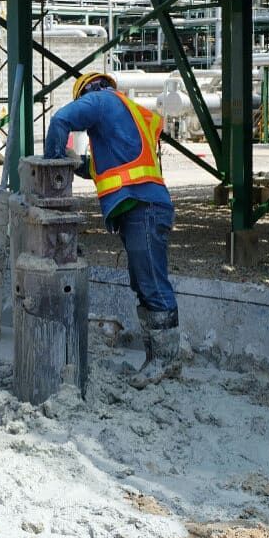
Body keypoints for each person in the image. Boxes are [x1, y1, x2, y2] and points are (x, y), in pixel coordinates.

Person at [44, 72, 180, 388]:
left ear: (87, 94)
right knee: (145, 280)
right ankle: (161, 360)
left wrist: (52, 168)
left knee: (152, 283)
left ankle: (164, 361)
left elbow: (60, 120)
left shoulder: (101, 101)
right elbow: (100, 169)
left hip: (142, 205)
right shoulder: (124, 112)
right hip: (144, 205)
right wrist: (73, 163)